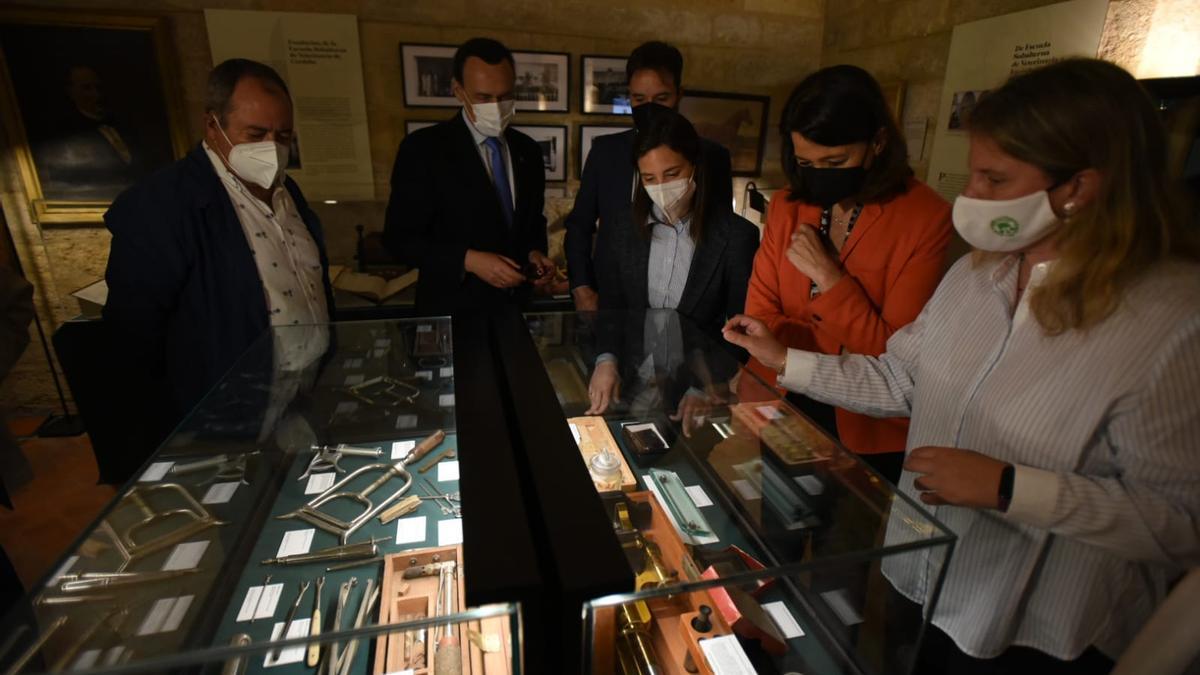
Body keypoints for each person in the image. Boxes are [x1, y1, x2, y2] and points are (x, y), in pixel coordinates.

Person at [725, 58, 1200, 673]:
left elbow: (1181, 522)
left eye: (993, 180)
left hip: (1032, 625)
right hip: (919, 570)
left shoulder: (1173, 318)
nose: (968, 197)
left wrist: (1009, 487)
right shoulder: (978, 275)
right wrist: (785, 360)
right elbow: (903, 377)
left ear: (1079, 188)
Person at [104, 58, 334, 473]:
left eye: (283, 135)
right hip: (219, 428)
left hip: (299, 410)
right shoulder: (161, 206)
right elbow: (133, 342)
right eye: (256, 134)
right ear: (213, 126)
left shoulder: (288, 192)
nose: (273, 148)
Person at [742, 65, 952, 483]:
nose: (818, 173)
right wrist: (842, 341)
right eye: (805, 161)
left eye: (835, 161)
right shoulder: (788, 204)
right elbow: (759, 314)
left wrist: (831, 278)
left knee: (848, 539)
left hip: (867, 423)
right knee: (777, 527)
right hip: (784, 397)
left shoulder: (925, 217)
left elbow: (895, 353)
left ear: (877, 142)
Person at [586, 107, 757, 429]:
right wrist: (605, 359)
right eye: (649, 178)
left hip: (695, 386)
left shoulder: (737, 237)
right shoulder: (620, 228)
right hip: (626, 373)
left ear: (696, 168)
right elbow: (611, 305)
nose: (661, 187)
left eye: (672, 174)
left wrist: (704, 384)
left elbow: (740, 324)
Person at [383, 37, 555, 314]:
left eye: (505, 96)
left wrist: (535, 253)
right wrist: (469, 260)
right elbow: (399, 240)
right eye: (484, 98)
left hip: (517, 309)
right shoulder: (423, 149)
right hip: (452, 309)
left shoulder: (528, 151)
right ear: (458, 91)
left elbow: (532, 221)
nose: (497, 107)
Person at [565, 41, 734, 312]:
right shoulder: (605, 152)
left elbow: (723, 237)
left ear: (679, 95)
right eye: (639, 100)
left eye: (661, 99)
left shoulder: (713, 156)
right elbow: (579, 225)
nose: (649, 109)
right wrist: (582, 288)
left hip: (684, 306)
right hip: (610, 300)